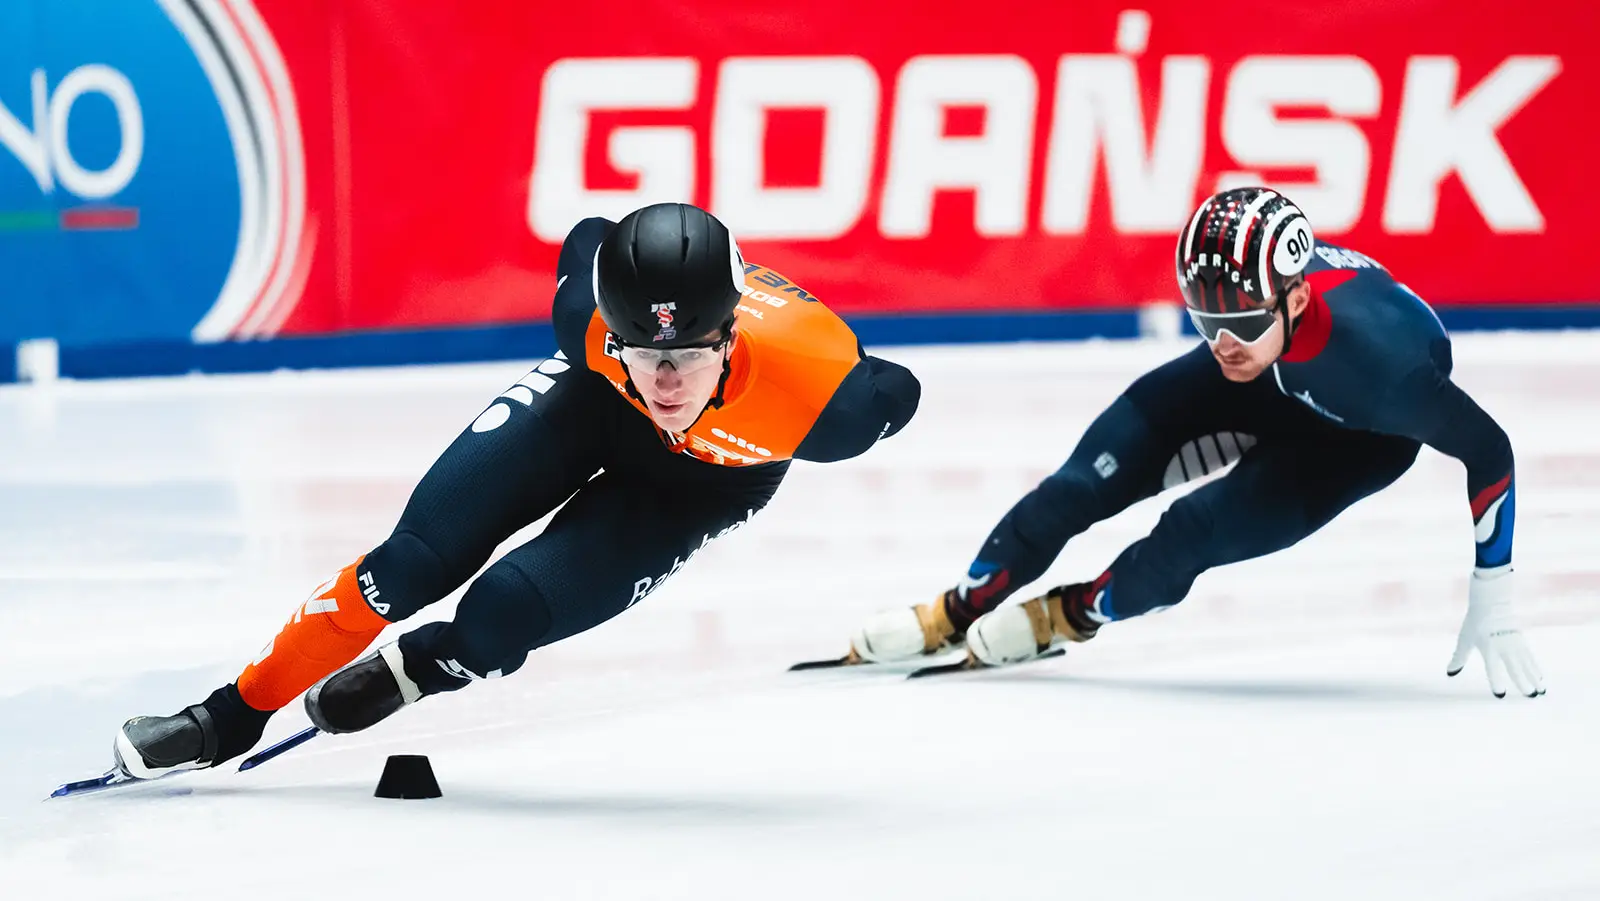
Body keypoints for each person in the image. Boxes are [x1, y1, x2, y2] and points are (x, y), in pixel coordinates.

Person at [114, 201, 922, 778]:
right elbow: (588, 238)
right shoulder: (588, 322)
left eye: (688, 357)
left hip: (701, 484)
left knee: (502, 610)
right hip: (592, 408)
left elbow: (901, 390)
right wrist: (624, 362)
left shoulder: (828, 404)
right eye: (642, 349)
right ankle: (227, 715)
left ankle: (430, 666)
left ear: (732, 332)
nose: (666, 382)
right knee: (406, 565)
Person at [841, 186, 1544, 699]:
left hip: (1353, 436)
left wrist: (1495, 592)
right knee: (1082, 484)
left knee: (1191, 532)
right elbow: (1238, 345)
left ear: (1296, 299)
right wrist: (1243, 334)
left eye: (1237, 317)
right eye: (1205, 317)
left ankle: (1071, 611)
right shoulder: (1248, 336)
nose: (1223, 341)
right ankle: (952, 611)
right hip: (1277, 380)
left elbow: (1491, 449)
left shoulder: (1385, 370)